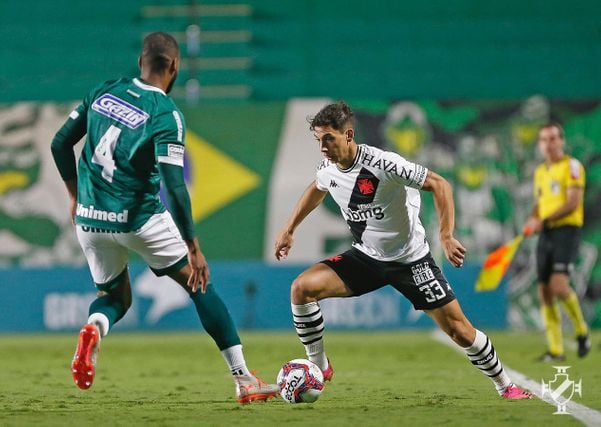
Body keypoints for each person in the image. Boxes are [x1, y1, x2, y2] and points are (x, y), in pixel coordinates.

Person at [50, 32, 278, 404]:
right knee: (199, 285)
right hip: (138, 219)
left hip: (90, 219)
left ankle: (94, 327)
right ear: (174, 66)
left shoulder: (104, 91)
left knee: (114, 297)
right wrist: (193, 246)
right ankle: (243, 379)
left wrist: (75, 196)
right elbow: (174, 185)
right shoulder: (165, 114)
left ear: (141, 62)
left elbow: (60, 143)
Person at [274, 101, 531, 400]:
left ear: (348, 135)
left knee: (460, 331)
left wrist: (446, 236)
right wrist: (289, 228)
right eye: (319, 140)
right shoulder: (328, 169)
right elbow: (317, 187)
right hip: (366, 257)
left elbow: (439, 184)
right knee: (301, 289)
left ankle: (506, 385)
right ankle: (319, 366)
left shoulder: (383, 164)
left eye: (329, 139)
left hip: (411, 261)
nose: (323, 147)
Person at [523, 122, 591, 361]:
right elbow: (539, 203)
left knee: (559, 287)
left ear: (561, 141)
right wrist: (532, 219)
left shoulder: (572, 166)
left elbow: (573, 202)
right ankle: (556, 350)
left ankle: (581, 330)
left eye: (553, 139)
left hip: (566, 231)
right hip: (546, 233)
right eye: (544, 139)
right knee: (544, 291)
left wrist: (544, 219)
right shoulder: (540, 172)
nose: (548, 144)